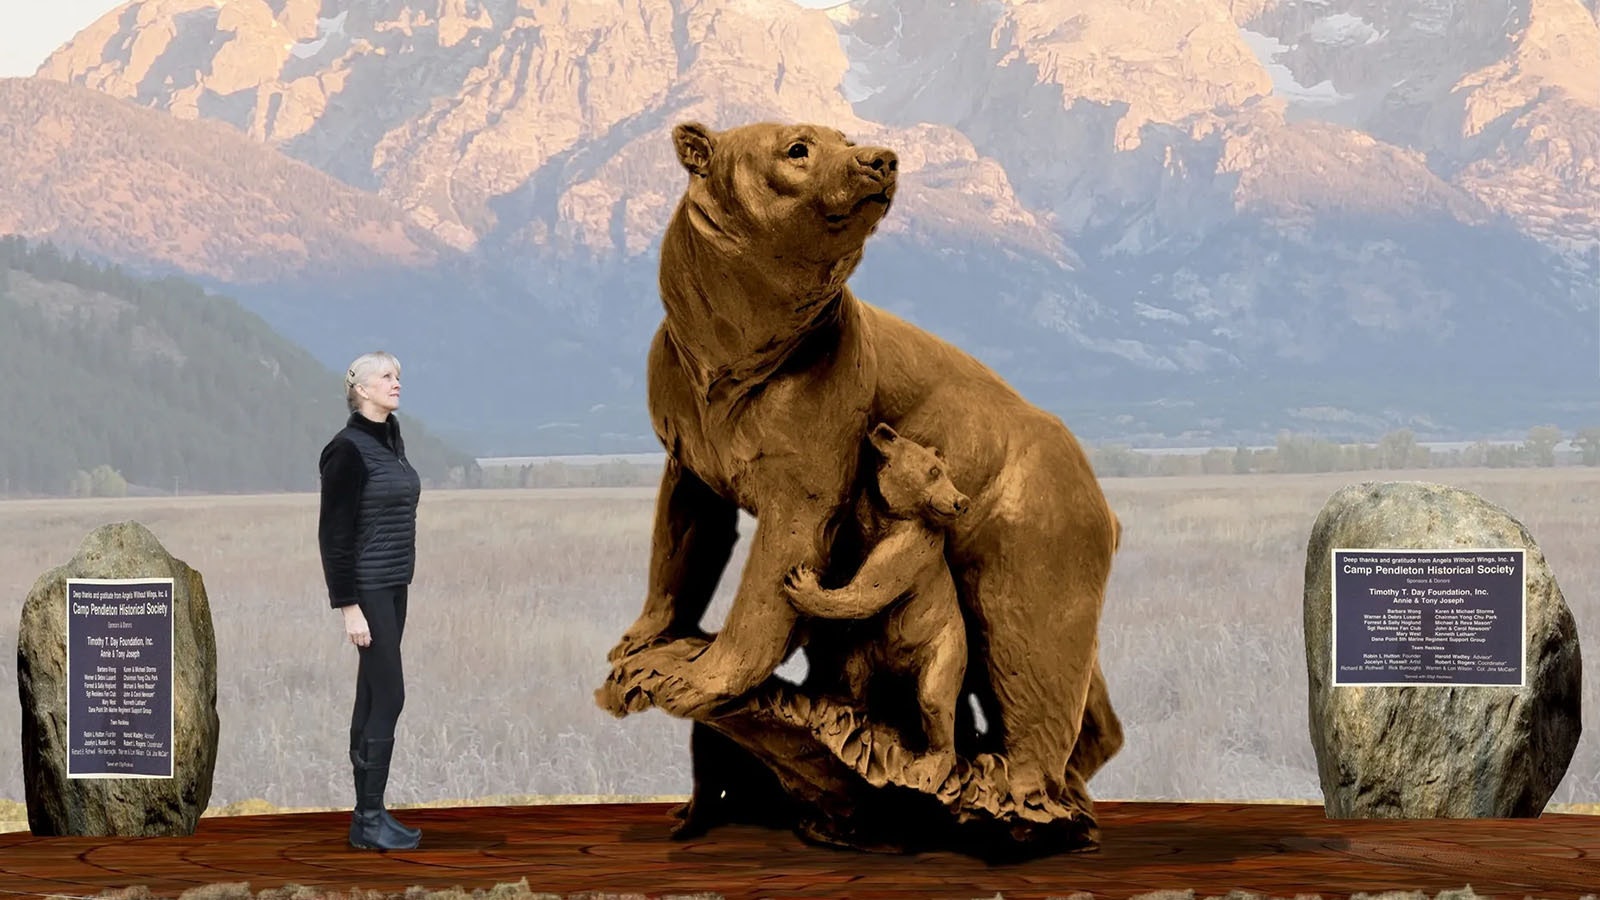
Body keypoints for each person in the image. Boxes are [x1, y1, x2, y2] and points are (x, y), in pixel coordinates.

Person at [318, 350, 424, 851]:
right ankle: (368, 818)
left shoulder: (391, 444)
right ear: (360, 390)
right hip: (368, 590)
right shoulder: (347, 450)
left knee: (370, 695)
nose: (396, 382)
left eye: (398, 376)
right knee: (389, 695)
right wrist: (349, 607)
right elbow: (333, 536)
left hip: (394, 585)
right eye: (386, 376)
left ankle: (368, 818)